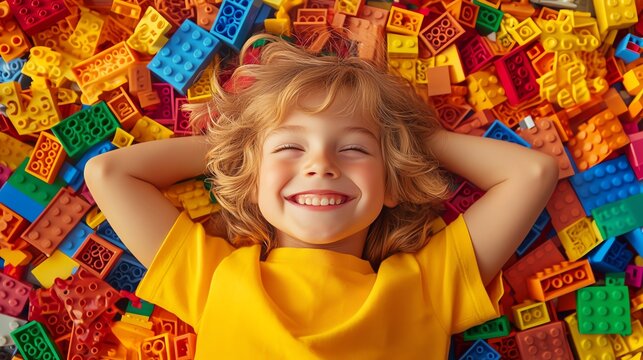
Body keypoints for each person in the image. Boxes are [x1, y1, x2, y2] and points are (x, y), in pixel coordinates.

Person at [84, 31, 559, 358]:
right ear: (252, 180)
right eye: (291, 147)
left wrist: (404, 138)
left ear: (392, 182)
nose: (320, 164)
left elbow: (534, 172)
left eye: (353, 148)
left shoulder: (428, 286)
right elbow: (108, 172)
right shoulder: (211, 275)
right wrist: (241, 145)